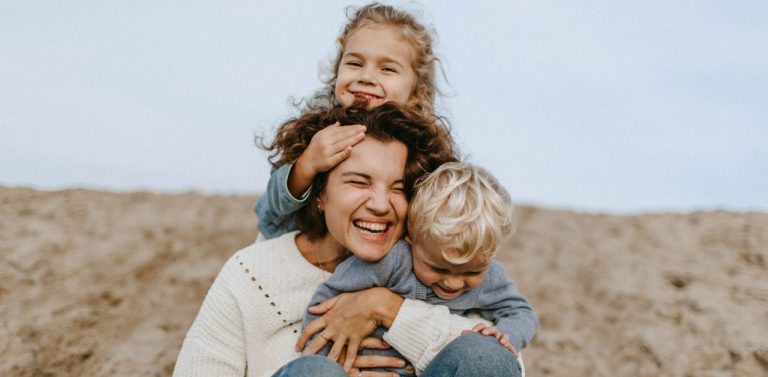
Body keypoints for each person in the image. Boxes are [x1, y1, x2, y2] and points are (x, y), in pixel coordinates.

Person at [176, 105, 523, 377]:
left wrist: (387, 308)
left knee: (481, 352)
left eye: (399, 188)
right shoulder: (250, 273)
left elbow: (506, 365)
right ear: (320, 195)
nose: (380, 203)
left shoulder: (440, 265)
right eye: (359, 182)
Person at [300, 162, 536, 376]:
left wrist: (507, 336)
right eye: (438, 268)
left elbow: (520, 312)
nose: (453, 283)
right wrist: (331, 361)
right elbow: (327, 303)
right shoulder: (391, 262)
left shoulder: (490, 278)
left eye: (471, 272)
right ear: (411, 238)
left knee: (485, 352)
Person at [255, 3, 444, 239]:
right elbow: (268, 211)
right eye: (354, 64)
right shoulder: (318, 124)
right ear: (337, 71)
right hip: (296, 248)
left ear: (417, 92)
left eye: (387, 69)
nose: (366, 77)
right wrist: (307, 164)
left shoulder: (421, 148)